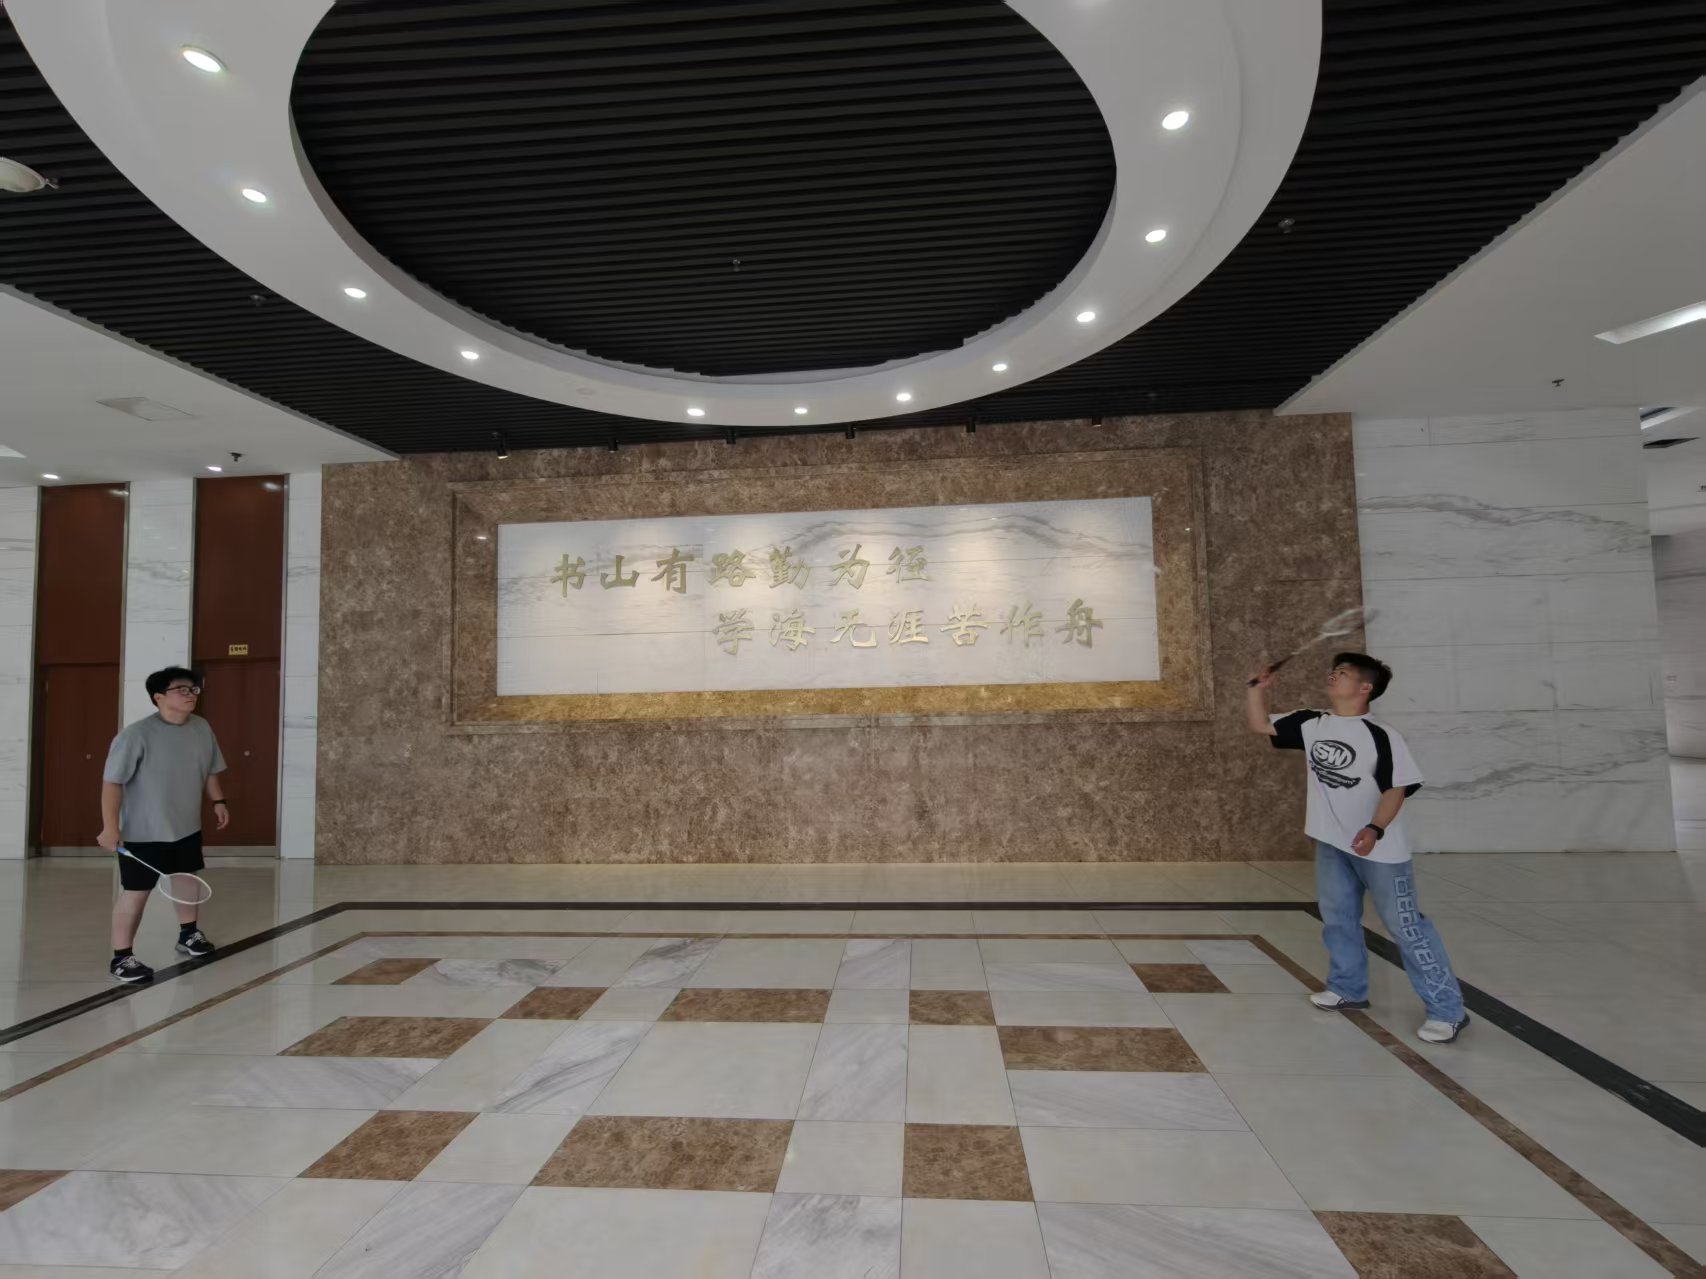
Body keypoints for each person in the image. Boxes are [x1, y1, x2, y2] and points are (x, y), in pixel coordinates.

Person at [1247, 651, 1469, 1043]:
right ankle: (1348, 989)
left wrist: (1375, 828)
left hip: (1380, 849)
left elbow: (1396, 788)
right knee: (1338, 918)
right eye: (1333, 671)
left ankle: (1447, 1010)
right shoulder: (1312, 721)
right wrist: (1257, 689)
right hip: (1332, 843)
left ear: (1365, 687)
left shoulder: (1382, 735)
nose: (1333, 676)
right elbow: (1261, 724)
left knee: (1406, 927)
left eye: (1343, 673)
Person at [96, 666, 228, 982]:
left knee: (187, 879)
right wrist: (110, 827)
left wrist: (218, 801)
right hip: (144, 832)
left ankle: (189, 935)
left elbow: (211, 769)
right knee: (136, 892)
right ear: (158, 697)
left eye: (193, 689)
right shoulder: (136, 735)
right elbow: (112, 782)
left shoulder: (201, 727)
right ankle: (121, 958)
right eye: (181, 689)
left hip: (186, 826)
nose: (190, 695)